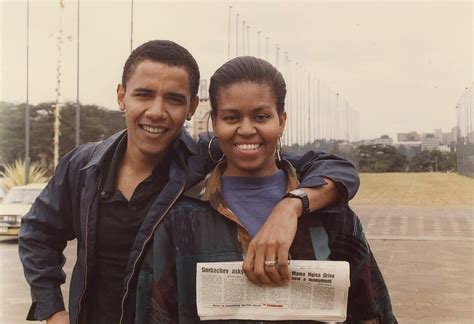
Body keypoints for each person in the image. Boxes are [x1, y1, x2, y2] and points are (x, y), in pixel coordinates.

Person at [18, 41, 361, 324]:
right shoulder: (83, 167)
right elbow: (37, 234)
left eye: (174, 99)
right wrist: (53, 311)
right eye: (144, 94)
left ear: (193, 107)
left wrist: (292, 205)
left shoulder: (203, 158)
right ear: (122, 96)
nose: (156, 111)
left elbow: (330, 167)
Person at [136, 56, 396, 323]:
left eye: (261, 116)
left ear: (281, 120)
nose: (247, 129)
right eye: (232, 117)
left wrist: (291, 207)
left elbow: (371, 311)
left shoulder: (329, 213)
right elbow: (156, 313)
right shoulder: (182, 217)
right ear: (214, 122)